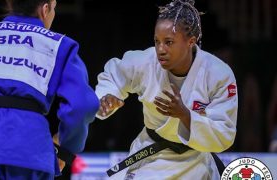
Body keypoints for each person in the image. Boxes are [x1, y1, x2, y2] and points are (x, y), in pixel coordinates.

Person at [0, 0, 99, 179]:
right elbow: (82, 106)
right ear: (45, 9)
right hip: (30, 152)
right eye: (54, 9)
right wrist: (65, 149)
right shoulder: (60, 44)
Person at [95, 0, 238, 179]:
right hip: (151, 153)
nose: (160, 49)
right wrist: (107, 96)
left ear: (191, 42)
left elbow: (224, 134)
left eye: (169, 42)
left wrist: (185, 115)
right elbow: (115, 74)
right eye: (157, 41)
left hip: (195, 160)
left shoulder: (218, 74)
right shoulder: (146, 61)